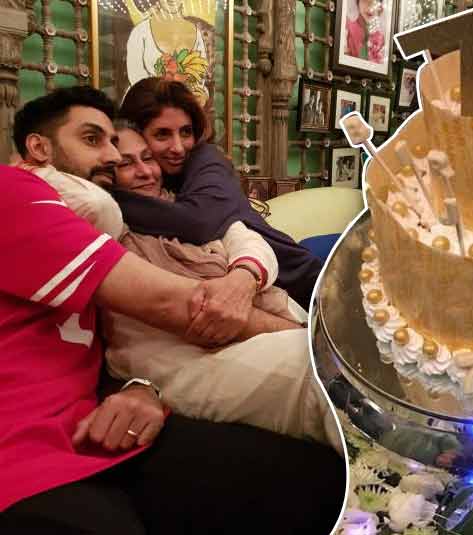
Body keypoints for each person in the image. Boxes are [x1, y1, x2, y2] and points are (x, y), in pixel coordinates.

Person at [1, 86, 346, 534]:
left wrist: (143, 389)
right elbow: (173, 310)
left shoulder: (171, 197)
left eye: (118, 144)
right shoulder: (17, 192)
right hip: (26, 457)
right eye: (93, 140)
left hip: (98, 430)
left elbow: (239, 240)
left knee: (318, 481)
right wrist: (306, 333)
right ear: (39, 148)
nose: (112, 157)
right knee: (326, 374)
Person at [101, 121, 341, 449]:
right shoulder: (113, 232)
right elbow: (202, 314)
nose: (145, 171)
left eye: (147, 158)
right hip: (191, 359)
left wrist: (241, 279)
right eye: (126, 164)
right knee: (331, 376)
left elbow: (249, 241)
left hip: (277, 318)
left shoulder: (190, 207)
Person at [116, 77, 323, 308]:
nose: (178, 147)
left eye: (186, 132)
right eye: (162, 134)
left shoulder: (207, 159)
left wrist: (110, 196)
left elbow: (198, 222)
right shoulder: (156, 178)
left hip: (301, 284)